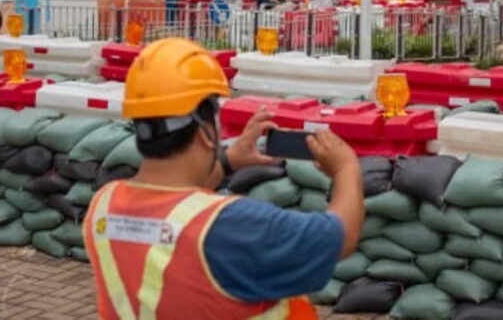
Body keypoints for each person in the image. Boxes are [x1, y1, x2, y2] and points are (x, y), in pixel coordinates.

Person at [85, 38, 362, 319]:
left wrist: (229, 160)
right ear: (205, 127)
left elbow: (175, 207)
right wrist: (345, 168)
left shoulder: (104, 207)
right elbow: (341, 237)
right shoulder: (232, 226)